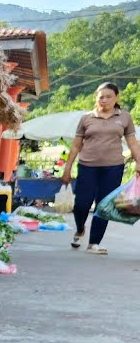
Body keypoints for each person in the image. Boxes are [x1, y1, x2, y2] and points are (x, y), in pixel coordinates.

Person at [60, 82, 140, 254]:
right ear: (96, 98)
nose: (104, 100)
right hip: (87, 166)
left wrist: (139, 162)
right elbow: (76, 146)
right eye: (101, 97)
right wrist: (67, 169)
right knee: (81, 204)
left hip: (113, 168)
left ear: (117, 98)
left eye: (109, 97)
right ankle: (80, 228)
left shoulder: (124, 117)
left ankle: (94, 243)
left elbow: (132, 143)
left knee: (103, 205)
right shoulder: (86, 118)